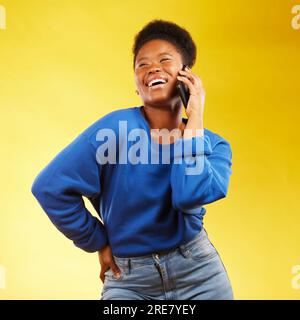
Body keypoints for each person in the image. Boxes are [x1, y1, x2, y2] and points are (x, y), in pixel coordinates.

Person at [31, 19, 234, 300]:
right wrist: (97, 241)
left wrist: (195, 117)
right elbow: (49, 187)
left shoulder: (214, 145)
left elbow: (189, 195)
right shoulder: (112, 130)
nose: (153, 68)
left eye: (165, 60)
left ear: (188, 77)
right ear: (137, 86)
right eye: (142, 64)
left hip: (199, 273)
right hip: (129, 280)